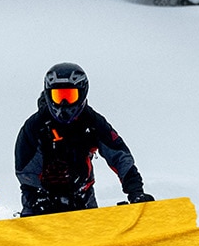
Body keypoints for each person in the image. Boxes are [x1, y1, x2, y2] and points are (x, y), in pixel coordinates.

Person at [14, 62, 154, 216]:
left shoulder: (93, 122)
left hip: (82, 201)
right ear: (49, 95)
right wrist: (37, 199)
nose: (63, 103)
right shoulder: (34, 127)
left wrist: (135, 192)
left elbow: (119, 156)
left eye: (69, 96)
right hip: (40, 204)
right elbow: (26, 171)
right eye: (58, 96)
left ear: (82, 94)